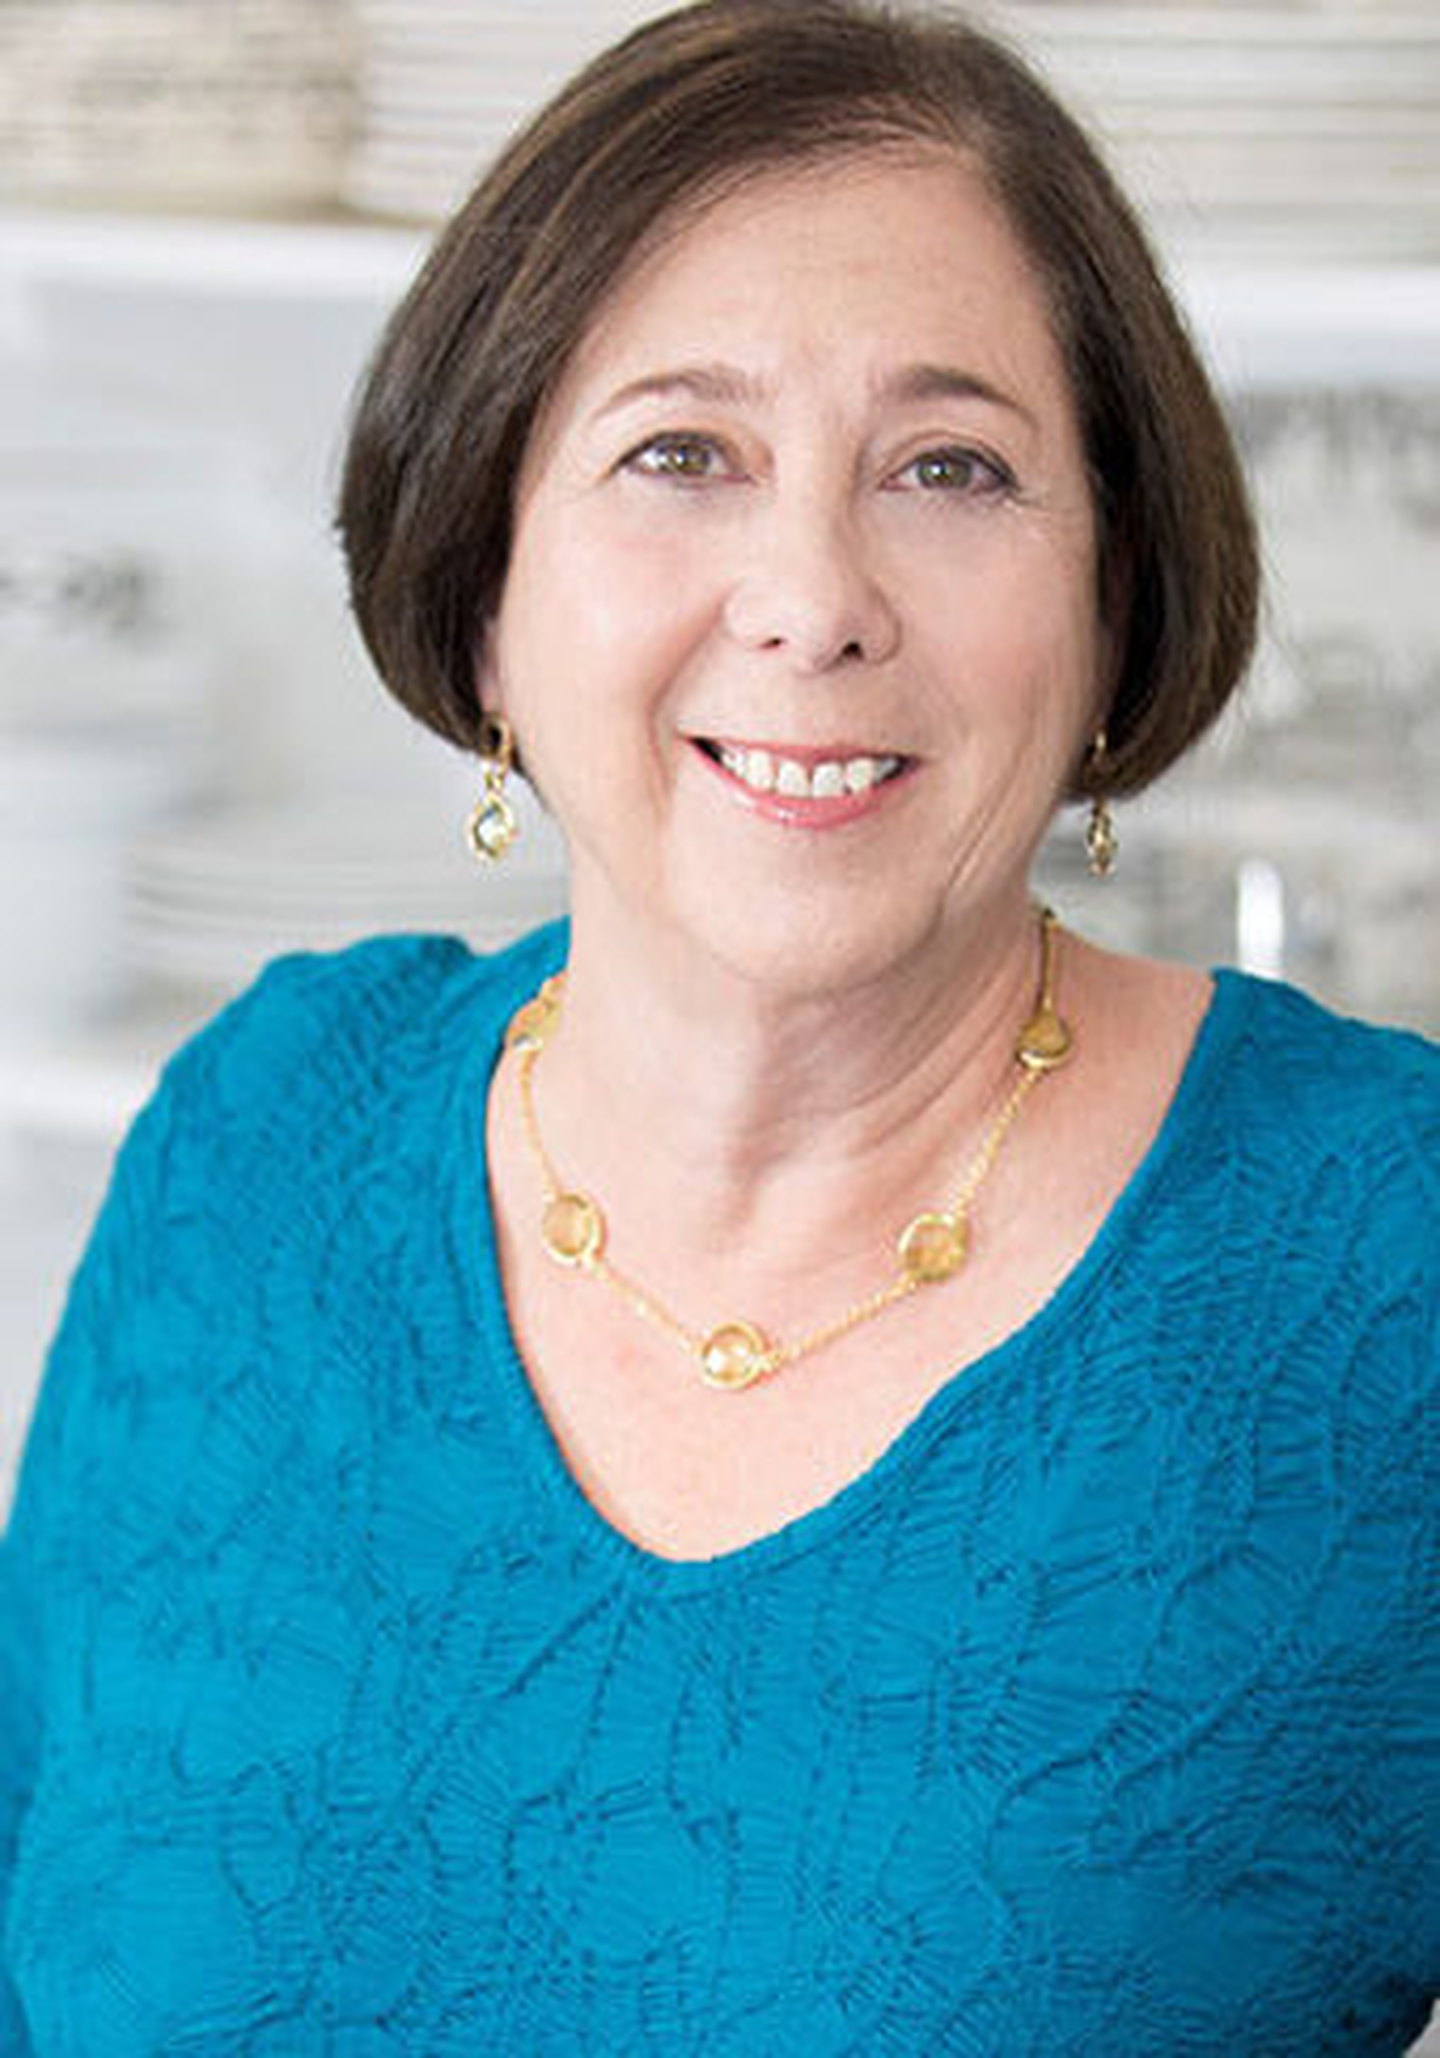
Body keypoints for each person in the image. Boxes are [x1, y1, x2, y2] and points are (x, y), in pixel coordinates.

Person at [1, 1, 1435, 2049]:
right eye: (682, 454)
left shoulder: (1388, 1263)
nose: (811, 597)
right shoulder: (257, 1134)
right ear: (486, 588)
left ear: (1115, 608)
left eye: (951, 468)